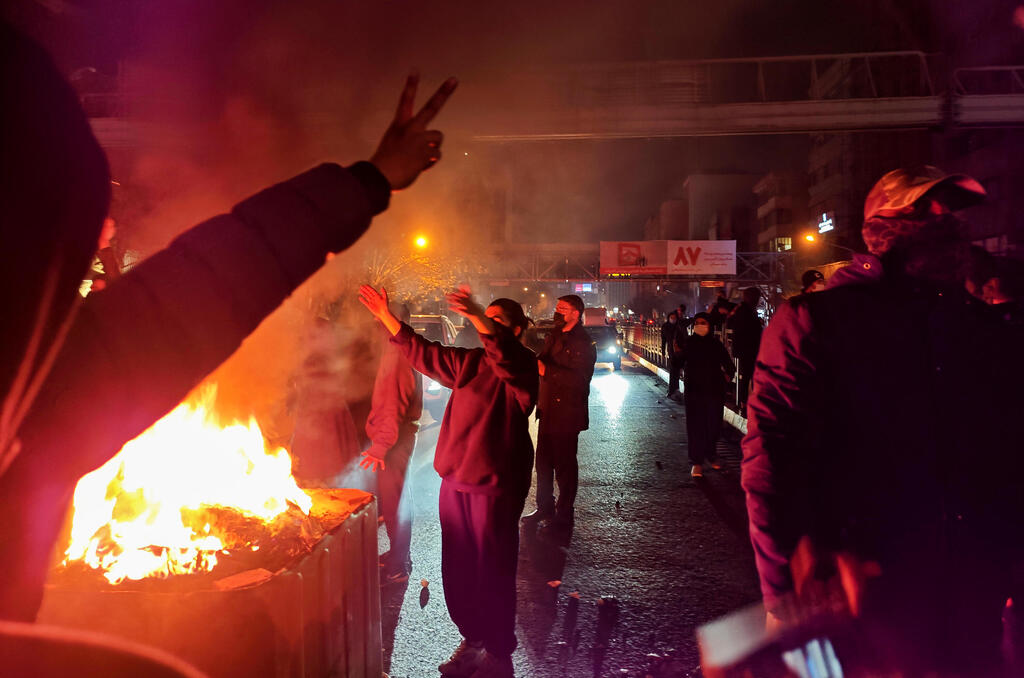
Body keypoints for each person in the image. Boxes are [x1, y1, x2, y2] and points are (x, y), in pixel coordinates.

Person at [0, 19, 456, 624]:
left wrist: (363, 185)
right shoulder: (52, 390)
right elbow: (212, 281)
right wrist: (364, 184)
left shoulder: (48, 384)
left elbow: (206, 285)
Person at [741, 165, 1024, 675]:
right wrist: (784, 591)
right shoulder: (816, 322)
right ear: (886, 223)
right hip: (864, 599)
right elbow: (772, 462)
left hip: (973, 595)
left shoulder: (984, 330)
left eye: (952, 211)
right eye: (928, 209)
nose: (947, 220)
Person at [357, 284, 537, 678]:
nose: (484, 326)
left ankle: (499, 653)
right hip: (455, 484)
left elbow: (503, 357)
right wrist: (386, 316)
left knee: (494, 571)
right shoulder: (469, 363)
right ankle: (473, 641)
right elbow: (422, 351)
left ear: (518, 331)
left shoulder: (522, 365)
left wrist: (475, 314)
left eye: (495, 321)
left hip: (495, 487)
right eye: (482, 319)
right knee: (457, 571)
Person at [360, 304, 423, 585]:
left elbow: (392, 401)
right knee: (397, 501)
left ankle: (398, 567)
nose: (372, 322)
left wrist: (381, 445)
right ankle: (400, 556)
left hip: (394, 439)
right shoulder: (399, 345)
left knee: (395, 503)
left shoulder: (396, 351)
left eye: (376, 317)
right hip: (398, 436)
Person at [525, 294, 596, 535]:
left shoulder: (584, 342)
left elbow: (580, 380)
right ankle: (544, 508)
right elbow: (539, 362)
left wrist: (547, 370)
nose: (557, 312)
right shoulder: (554, 336)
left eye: (562, 309)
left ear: (576, 313)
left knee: (564, 466)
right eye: (557, 308)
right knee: (543, 465)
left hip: (567, 412)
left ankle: (564, 511)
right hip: (547, 410)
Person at [678, 313, 735, 478]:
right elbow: (678, 362)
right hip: (694, 392)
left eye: (703, 323)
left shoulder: (715, 344)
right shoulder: (689, 343)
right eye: (697, 323)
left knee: (713, 426)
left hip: (713, 392)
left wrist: (725, 378)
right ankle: (697, 463)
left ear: (709, 325)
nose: (700, 326)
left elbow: (729, 366)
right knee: (695, 427)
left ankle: (711, 455)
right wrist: (677, 353)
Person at [726, 287, 762, 411]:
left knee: (747, 376)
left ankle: (744, 401)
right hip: (747, 349)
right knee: (746, 376)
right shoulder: (744, 310)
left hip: (747, 349)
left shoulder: (745, 309)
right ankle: (743, 402)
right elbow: (747, 330)